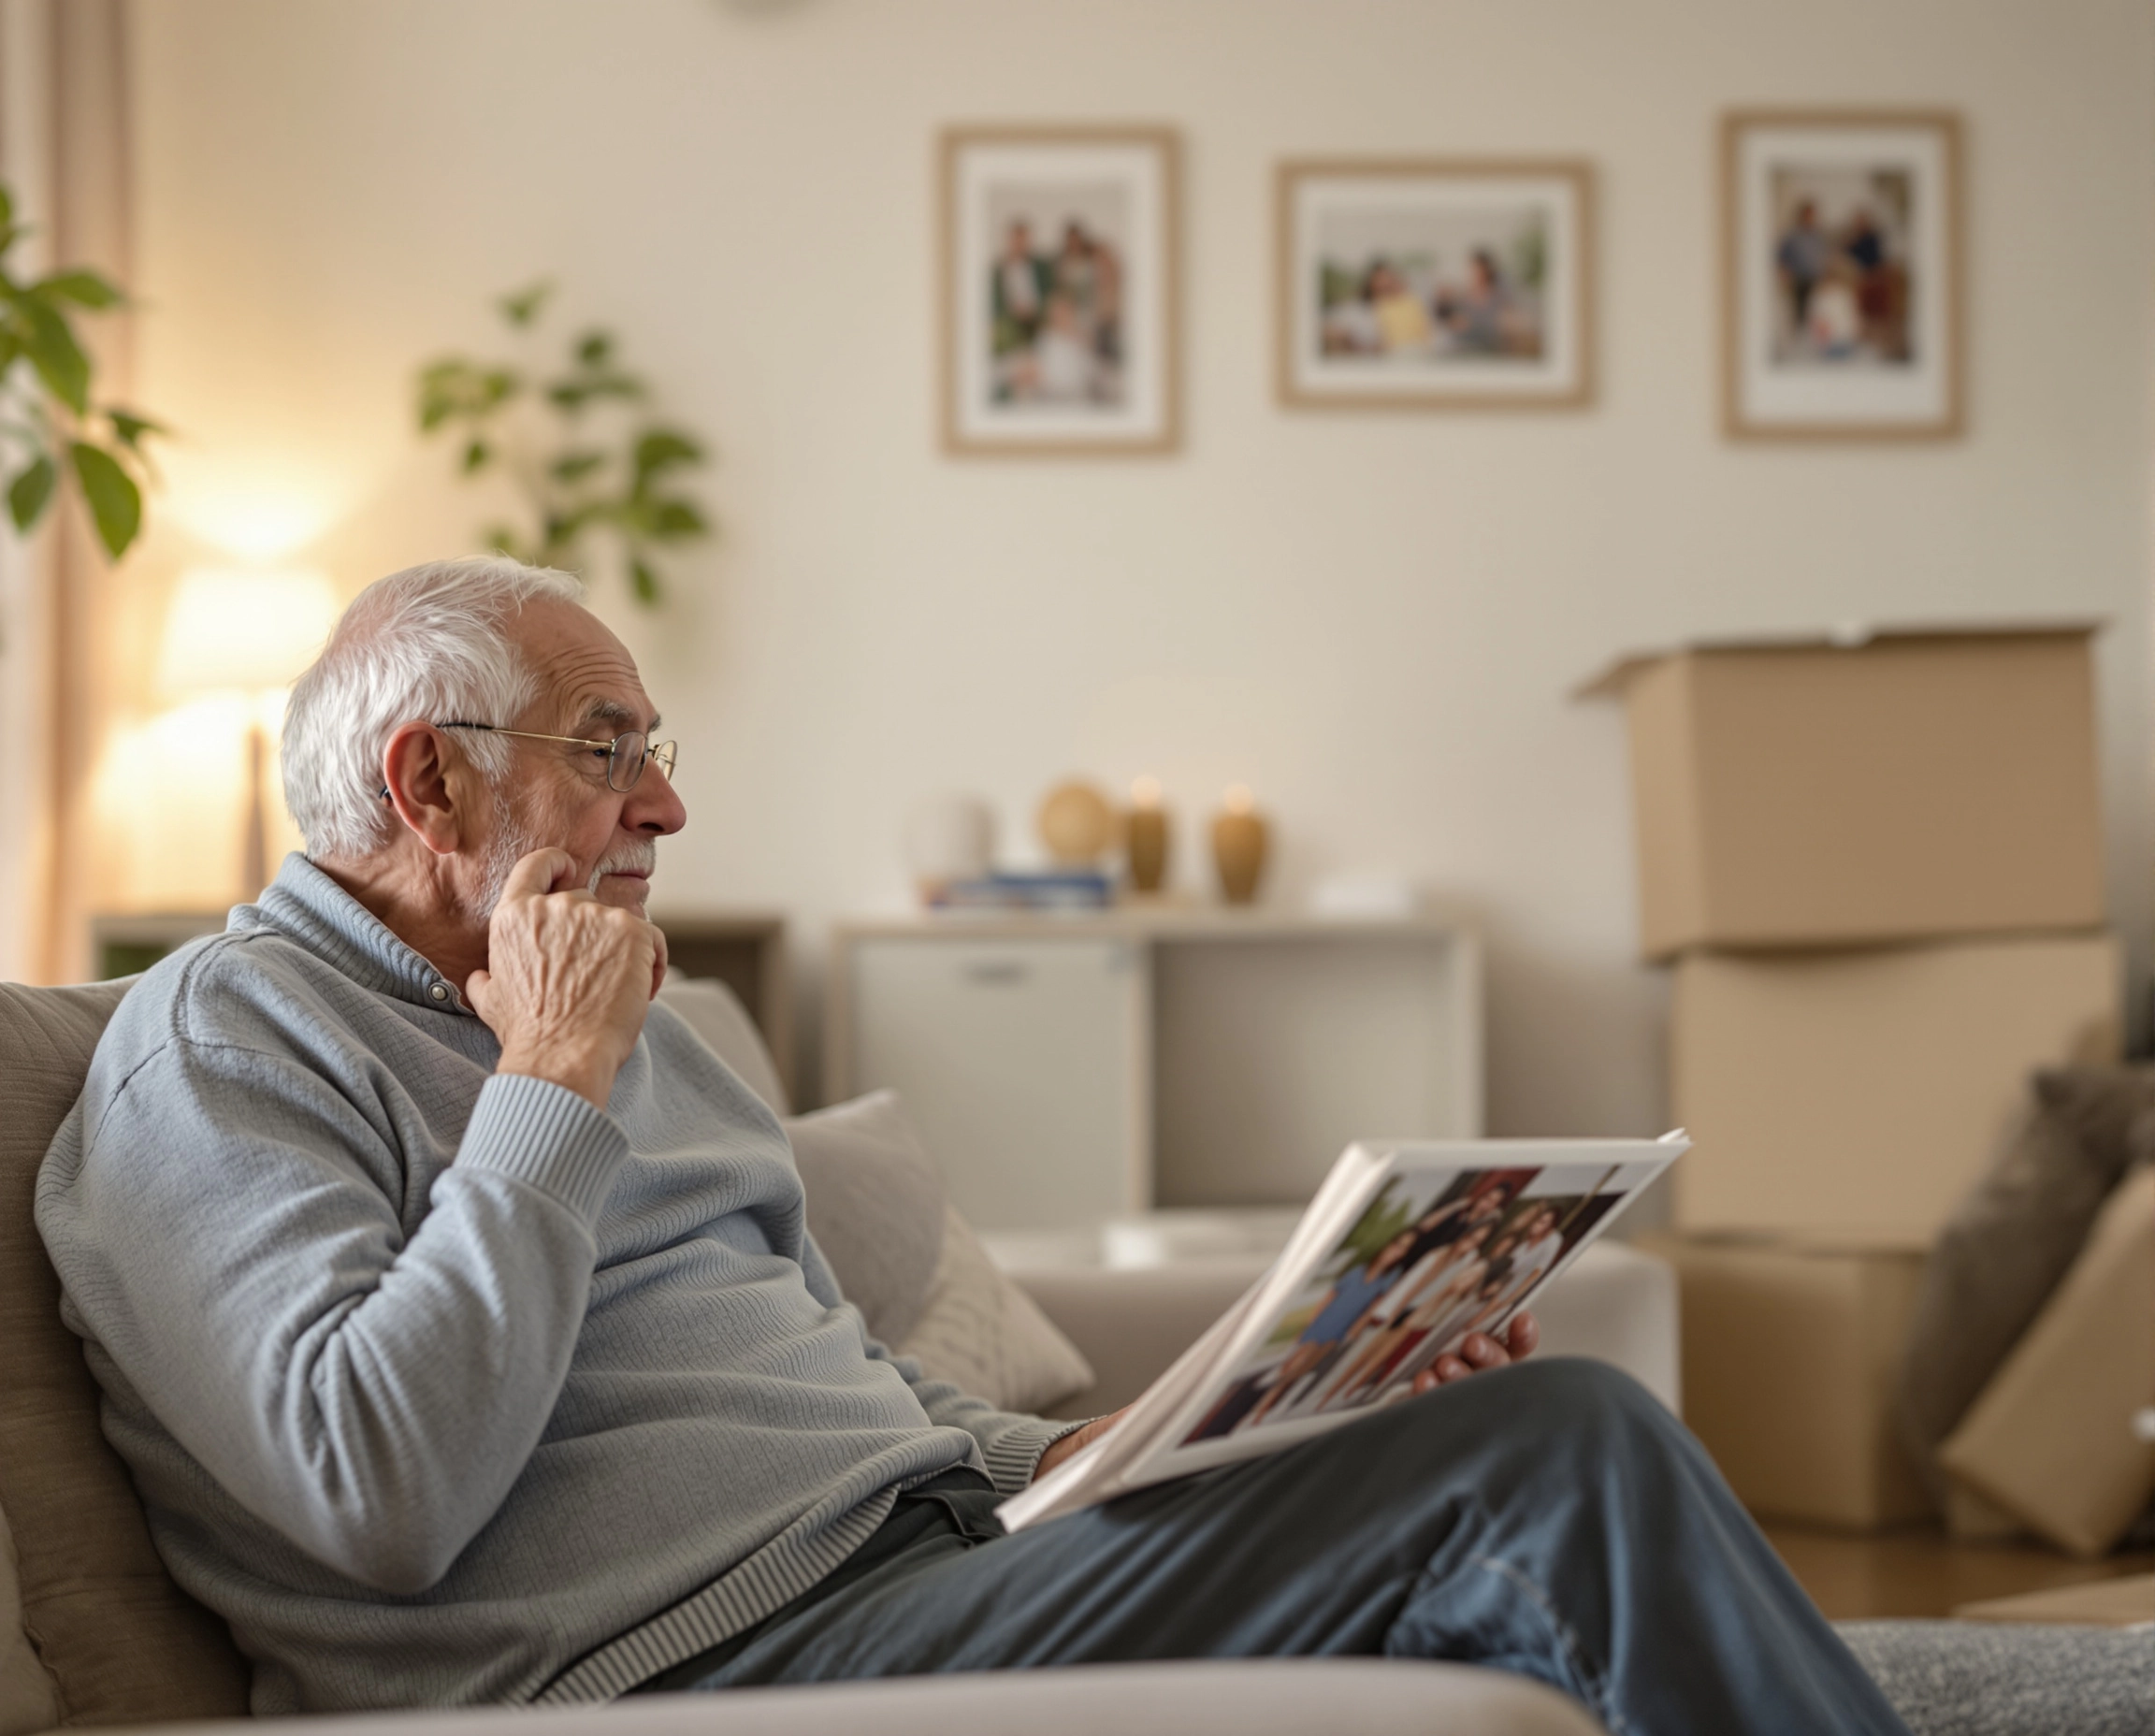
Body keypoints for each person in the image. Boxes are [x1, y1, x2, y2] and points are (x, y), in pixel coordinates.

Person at [36, 557, 1914, 1735]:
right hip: (675, 1669)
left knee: (1472, 1425)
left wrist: (1147, 1434)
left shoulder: (642, 1026)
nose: (668, 801)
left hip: (923, 1561)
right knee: (1550, 1456)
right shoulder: (216, 1044)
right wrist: (547, 1083)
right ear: (423, 778)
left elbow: (845, 1408)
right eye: (609, 747)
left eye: (654, 746)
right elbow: (371, 1488)